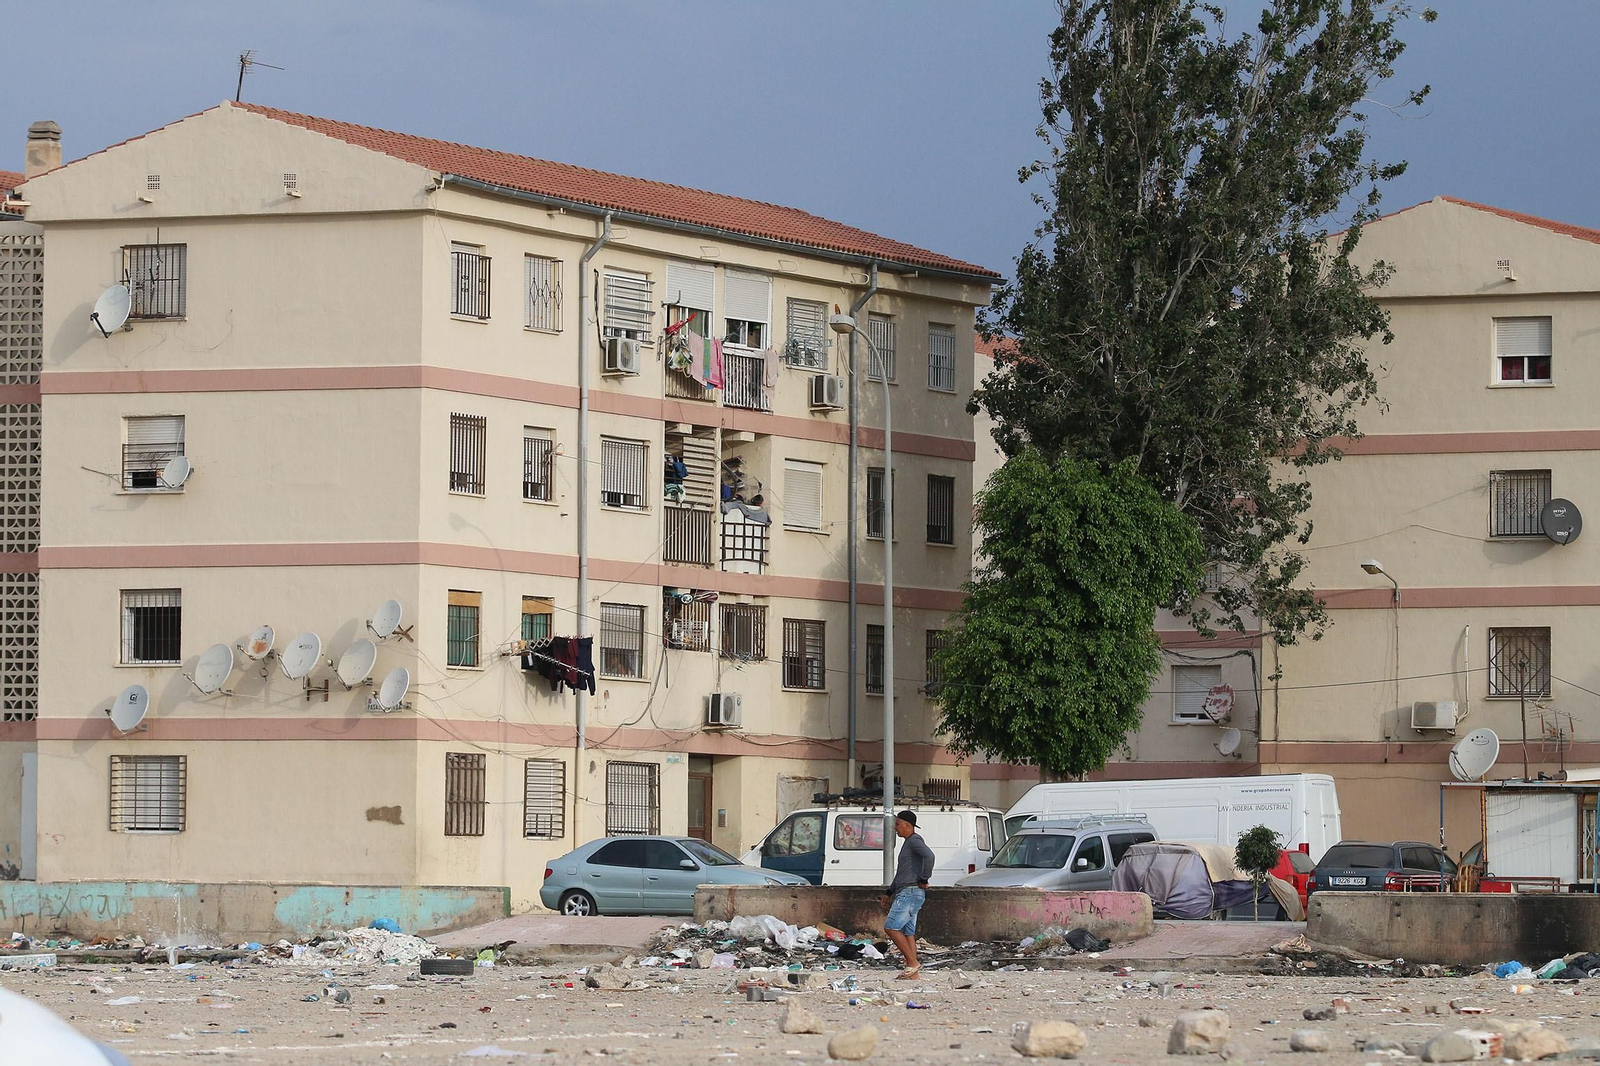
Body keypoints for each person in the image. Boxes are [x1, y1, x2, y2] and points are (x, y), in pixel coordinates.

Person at [880, 809, 934, 980]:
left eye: (897, 824)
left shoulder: (914, 841)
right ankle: (914, 975)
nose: (895, 828)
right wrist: (889, 892)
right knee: (908, 932)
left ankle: (912, 963)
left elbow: (930, 856)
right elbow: (901, 874)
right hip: (907, 891)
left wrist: (924, 878)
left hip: (910, 892)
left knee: (891, 927)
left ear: (907, 825)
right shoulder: (908, 844)